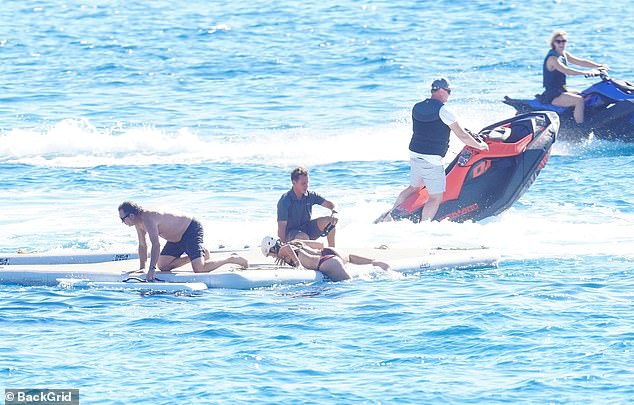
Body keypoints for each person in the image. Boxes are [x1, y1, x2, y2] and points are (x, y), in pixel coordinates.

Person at [386, 78, 488, 222]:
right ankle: (424, 226)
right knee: (435, 197)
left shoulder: (417, 107)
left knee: (413, 188)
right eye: (449, 91)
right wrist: (481, 146)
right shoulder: (444, 110)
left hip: (415, 154)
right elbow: (462, 136)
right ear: (441, 90)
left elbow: (429, 129)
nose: (449, 95)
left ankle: (390, 216)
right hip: (431, 160)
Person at [118, 201, 248, 281]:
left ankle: (231, 258)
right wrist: (142, 268)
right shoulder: (138, 223)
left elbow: (155, 245)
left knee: (199, 269)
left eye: (123, 219)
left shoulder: (148, 218)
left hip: (190, 229)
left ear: (131, 215)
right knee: (163, 266)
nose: (122, 222)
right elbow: (142, 245)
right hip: (175, 239)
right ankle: (200, 254)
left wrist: (151, 269)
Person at [541, 29, 609, 124]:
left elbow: (580, 62)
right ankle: (580, 127)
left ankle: (578, 117)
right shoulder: (552, 58)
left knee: (584, 94)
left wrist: (599, 66)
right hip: (553, 95)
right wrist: (587, 73)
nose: (561, 44)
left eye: (563, 41)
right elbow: (567, 71)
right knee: (579, 100)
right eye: (558, 41)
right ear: (553, 43)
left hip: (562, 90)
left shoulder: (564, 54)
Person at [260, 236, 390, 282]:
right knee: (348, 258)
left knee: (350, 286)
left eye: (270, 254)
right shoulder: (296, 242)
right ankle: (373, 262)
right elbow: (320, 245)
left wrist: (297, 264)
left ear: (271, 248)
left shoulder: (284, 249)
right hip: (327, 253)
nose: (272, 257)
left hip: (326, 263)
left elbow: (287, 248)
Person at [277, 166, 338, 247]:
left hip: (307, 229)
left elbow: (331, 205)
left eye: (307, 182)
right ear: (294, 182)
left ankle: (332, 251)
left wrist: (334, 212)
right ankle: (311, 256)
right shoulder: (285, 200)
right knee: (303, 237)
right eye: (303, 183)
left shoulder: (310, 195)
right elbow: (281, 229)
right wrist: (284, 248)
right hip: (291, 234)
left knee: (330, 221)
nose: (306, 186)